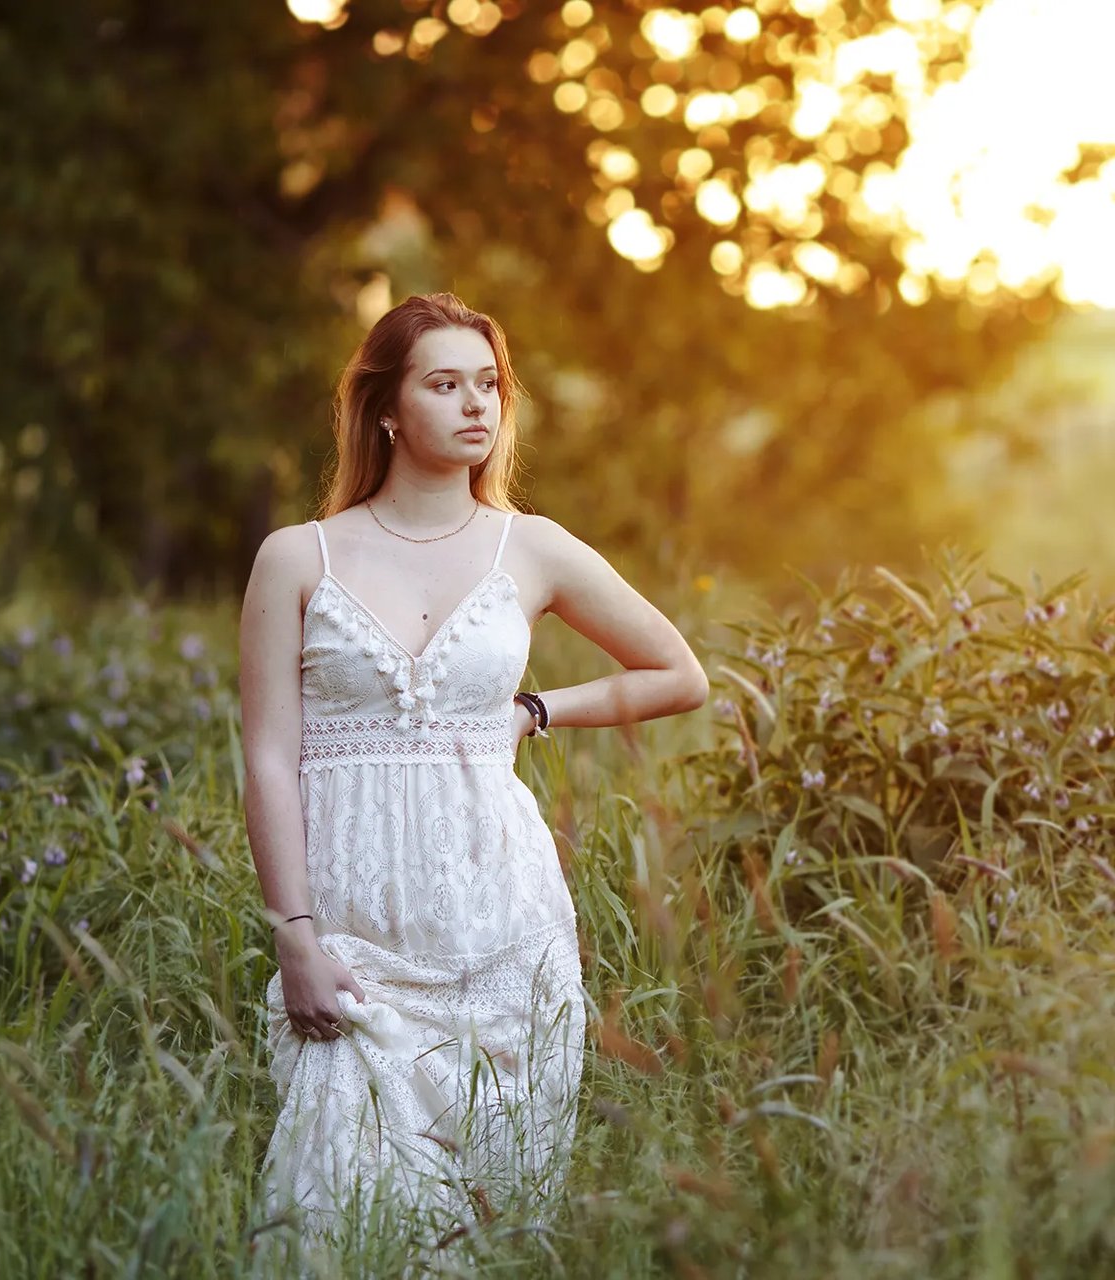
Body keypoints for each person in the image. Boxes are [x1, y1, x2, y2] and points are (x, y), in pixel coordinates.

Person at [237, 292, 709, 1260]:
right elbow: (269, 759)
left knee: (487, 1230)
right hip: (355, 946)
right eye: (444, 384)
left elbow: (679, 673)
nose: (474, 405)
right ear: (386, 409)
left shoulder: (529, 546)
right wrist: (295, 935)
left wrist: (537, 710)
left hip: (505, 935)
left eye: (488, 384)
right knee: (332, 1220)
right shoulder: (296, 558)